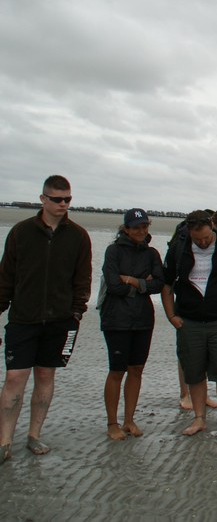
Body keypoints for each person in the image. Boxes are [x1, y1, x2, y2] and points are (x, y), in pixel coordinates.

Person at [0, 175, 92, 461]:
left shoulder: (78, 236)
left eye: (67, 199)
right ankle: (4, 441)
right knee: (15, 377)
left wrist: (76, 312)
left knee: (45, 375)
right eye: (57, 199)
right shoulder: (21, 232)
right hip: (23, 318)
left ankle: (34, 435)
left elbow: (82, 280)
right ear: (43, 199)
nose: (63, 204)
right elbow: (5, 277)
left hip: (60, 320)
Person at [161, 210, 217, 440]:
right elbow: (167, 283)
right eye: (197, 238)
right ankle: (199, 418)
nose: (202, 242)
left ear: (212, 227)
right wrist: (171, 315)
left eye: (206, 238)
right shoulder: (179, 248)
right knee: (194, 373)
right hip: (189, 321)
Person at [99, 208, 164, 440]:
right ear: (126, 228)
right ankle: (112, 423)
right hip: (116, 319)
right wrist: (140, 284)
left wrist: (130, 280)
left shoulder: (152, 254)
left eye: (144, 226)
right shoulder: (113, 251)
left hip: (143, 319)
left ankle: (129, 420)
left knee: (137, 369)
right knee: (117, 370)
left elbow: (158, 284)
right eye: (136, 227)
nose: (141, 231)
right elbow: (114, 285)